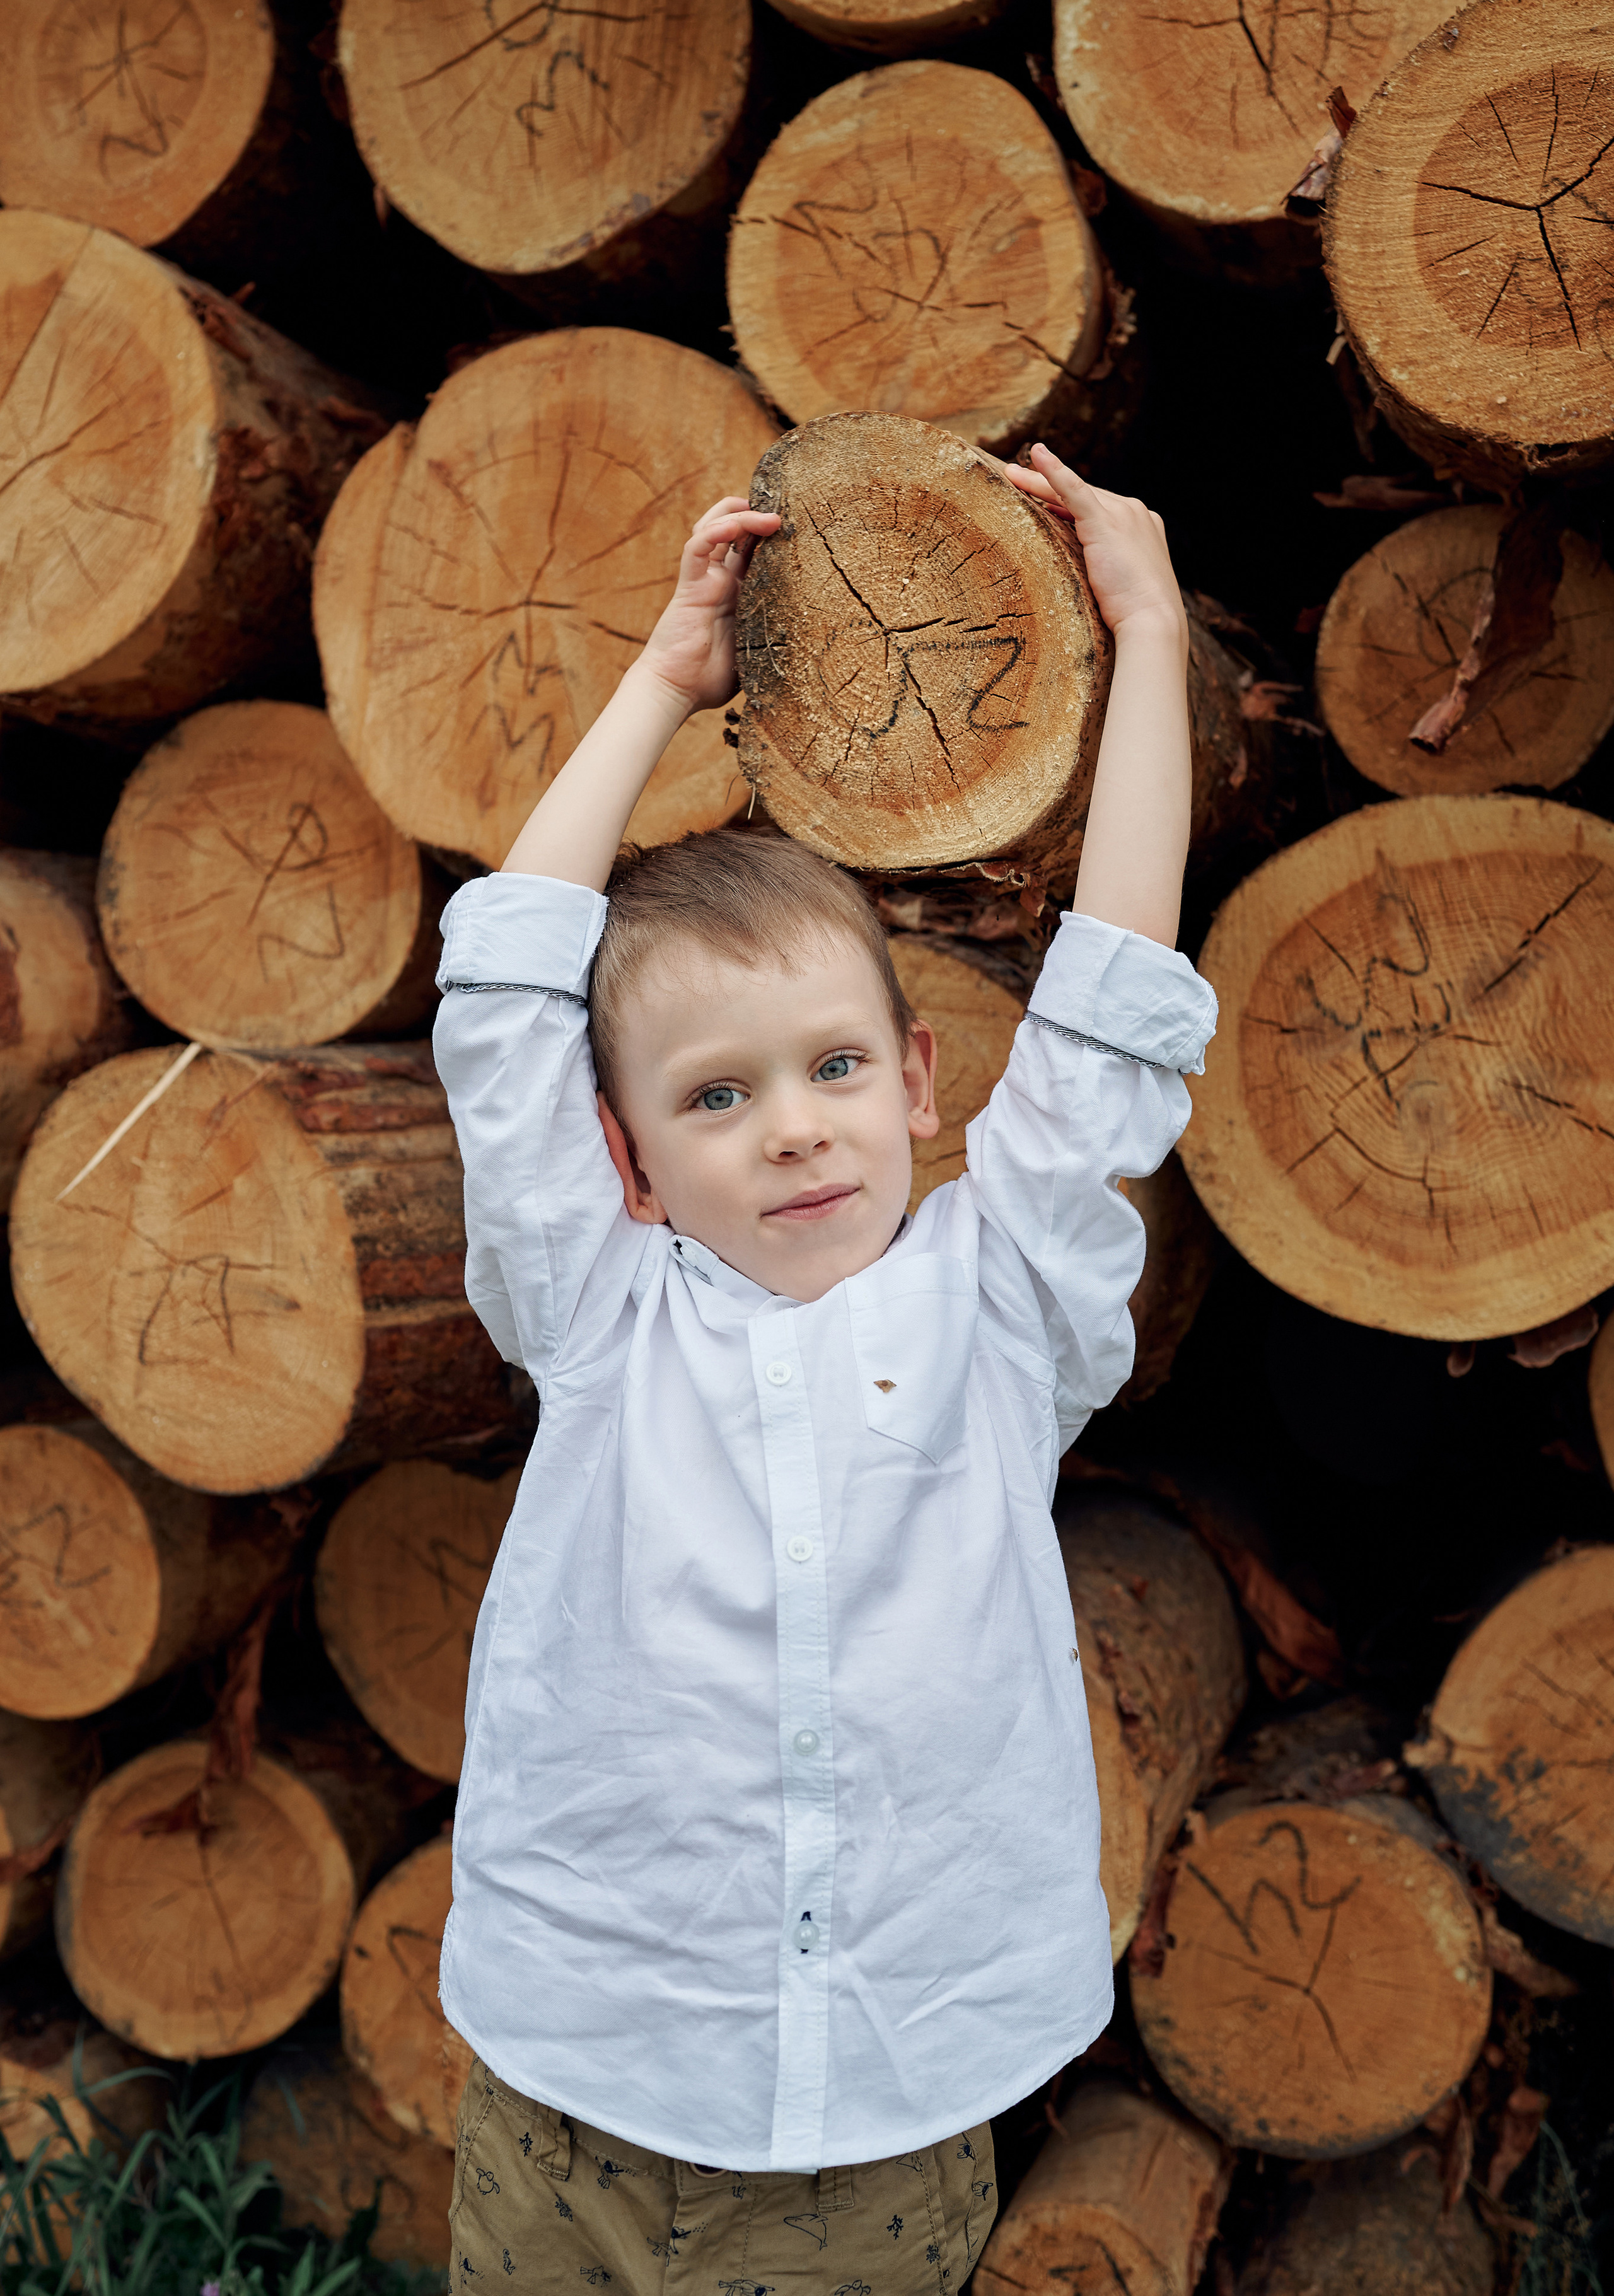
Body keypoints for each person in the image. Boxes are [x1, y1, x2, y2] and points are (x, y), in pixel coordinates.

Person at [433, 442, 1217, 2293]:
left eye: (833, 1068)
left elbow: (1111, 1000)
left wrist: (1155, 639)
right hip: (587, 2096)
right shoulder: (599, 1313)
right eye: (717, 1096)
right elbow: (499, 1003)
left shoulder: (1004, 1300)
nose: (791, 1129)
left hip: (886, 2100)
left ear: (924, 1084)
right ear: (624, 1156)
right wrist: (661, 682)